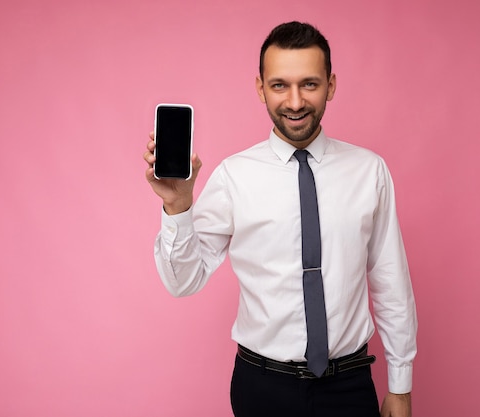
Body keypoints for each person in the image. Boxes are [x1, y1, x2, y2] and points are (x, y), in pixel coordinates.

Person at [143, 21, 417, 417]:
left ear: (331, 85)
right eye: (279, 85)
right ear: (260, 88)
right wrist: (177, 207)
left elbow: (390, 280)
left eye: (309, 84)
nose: (294, 102)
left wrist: (401, 384)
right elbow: (182, 282)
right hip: (262, 388)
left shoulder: (369, 171)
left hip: (349, 386)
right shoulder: (235, 176)